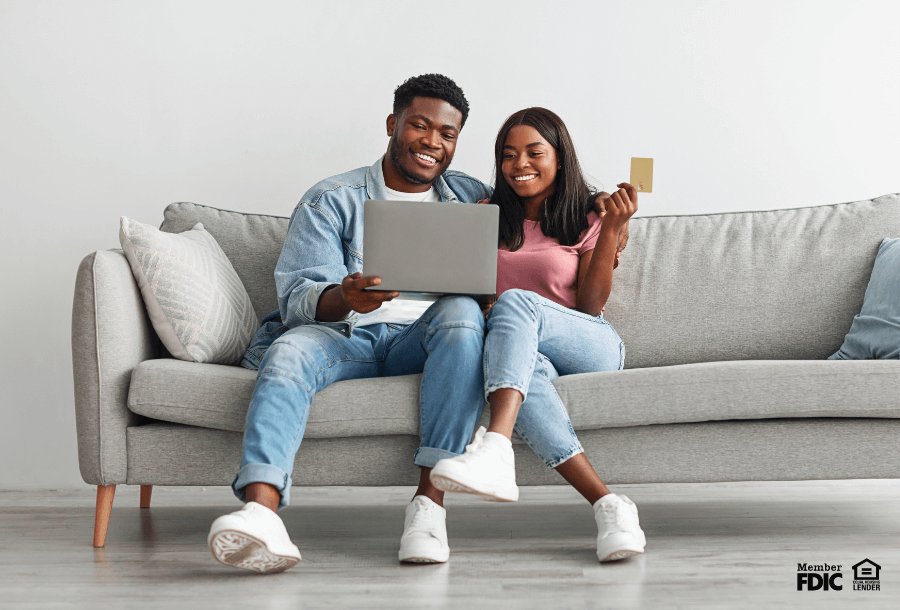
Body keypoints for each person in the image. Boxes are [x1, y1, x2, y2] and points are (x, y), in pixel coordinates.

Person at [207, 74, 492, 573]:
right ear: (392, 124)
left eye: (447, 134)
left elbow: (547, 216)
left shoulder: (474, 198)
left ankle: (428, 509)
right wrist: (346, 297)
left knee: (464, 313)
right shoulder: (330, 199)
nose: (432, 142)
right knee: (290, 350)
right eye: (419, 126)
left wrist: (605, 221)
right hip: (344, 336)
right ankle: (261, 512)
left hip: (422, 341)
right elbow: (298, 301)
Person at [429, 107, 646, 563]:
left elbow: (589, 307)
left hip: (588, 341)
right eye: (509, 155)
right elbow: (470, 291)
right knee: (523, 370)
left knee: (516, 301)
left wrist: (609, 232)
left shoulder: (590, 215)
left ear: (559, 158)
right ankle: (610, 506)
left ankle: (495, 445)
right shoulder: (485, 215)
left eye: (534, 152)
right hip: (518, 349)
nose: (519, 164)